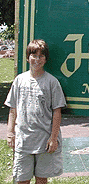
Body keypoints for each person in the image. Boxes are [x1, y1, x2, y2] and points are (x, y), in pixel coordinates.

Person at [5, 39, 66, 184]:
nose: (37, 59)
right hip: (23, 140)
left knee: (41, 179)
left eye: (41, 56)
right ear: (28, 57)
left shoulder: (52, 82)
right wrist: (10, 133)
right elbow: (12, 109)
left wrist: (53, 137)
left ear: (45, 59)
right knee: (21, 179)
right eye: (34, 55)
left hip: (44, 141)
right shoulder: (19, 81)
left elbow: (57, 112)